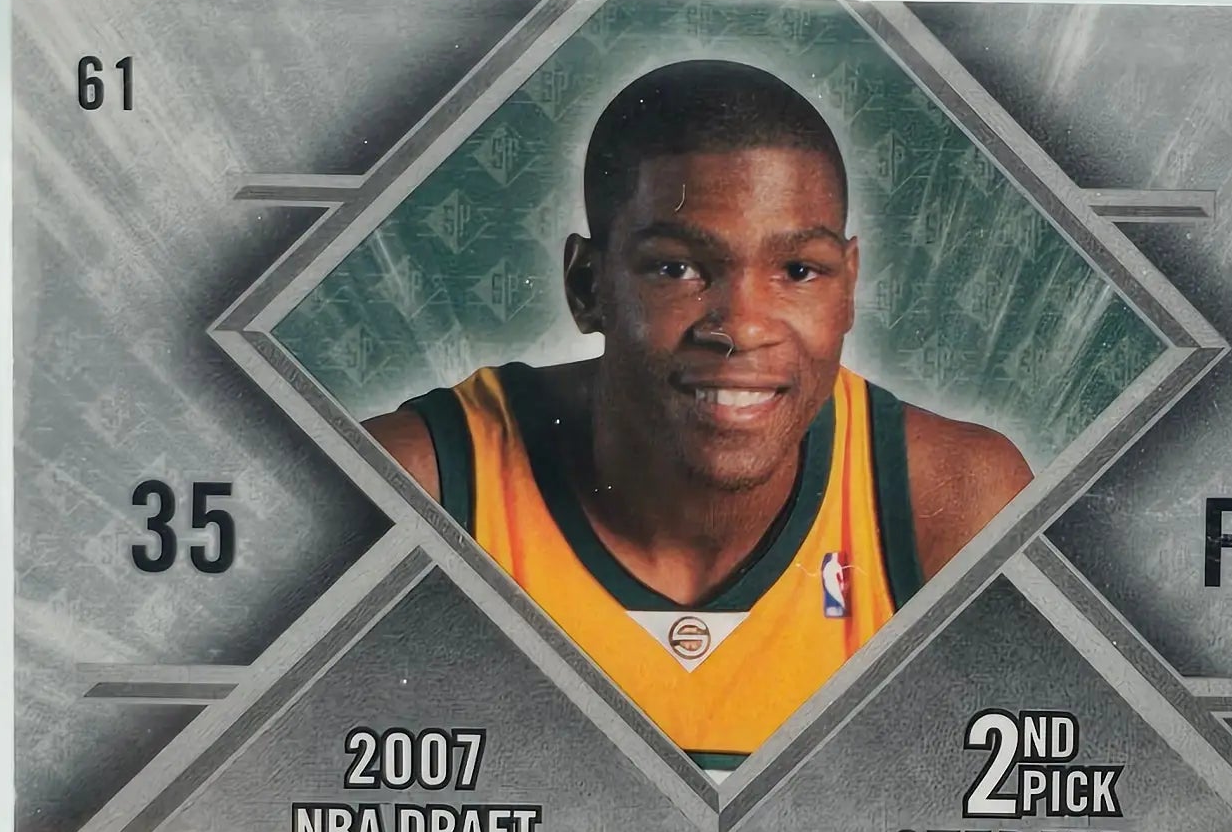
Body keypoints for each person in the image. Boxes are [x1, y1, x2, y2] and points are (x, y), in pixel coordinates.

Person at [365, 60, 1029, 766]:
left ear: (847, 289)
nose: (741, 327)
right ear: (588, 286)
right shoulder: (417, 490)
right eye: (676, 268)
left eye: (798, 271)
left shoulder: (952, 503)